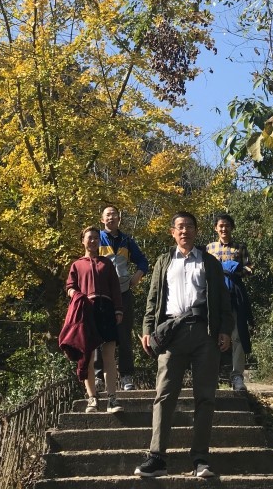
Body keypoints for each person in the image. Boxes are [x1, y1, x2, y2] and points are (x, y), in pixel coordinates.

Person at [134, 212, 233, 479]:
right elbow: (153, 298)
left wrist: (225, 330)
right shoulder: (164, 261)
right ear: (172, 232)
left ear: (196, 231)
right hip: (172, 334)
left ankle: (200, 458)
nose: (185, 231)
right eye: (180, 227)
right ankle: (157, 457)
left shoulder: (209, 262)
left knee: (205, 397)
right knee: (164, 395)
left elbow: (223, 300)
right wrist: (147, 330)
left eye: (189, 226)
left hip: (205, 333)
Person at [65, 226, 124, 413]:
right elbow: (70, 286)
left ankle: (112, 399)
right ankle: (92, 399)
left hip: (107, 309)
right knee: (88, 356)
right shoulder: (76, 265)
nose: (93, 241)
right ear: (83, 240)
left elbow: (115, 288)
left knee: (109, 357)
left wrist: (118, 310)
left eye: (96, 238)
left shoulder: (107, 263)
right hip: (86, 310)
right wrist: (76, 294)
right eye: (89, 237)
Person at [95, 205, 149, 391]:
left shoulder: (127, 240)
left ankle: (126, 376)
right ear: (102, 219)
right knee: (99, 334)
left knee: (124, 335)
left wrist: (137, 276)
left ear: (119, 218)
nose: (111, 218)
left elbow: (142, 261)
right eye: (107, 215)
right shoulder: (97, 238)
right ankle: (98, 376)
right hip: (101, 294)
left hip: (123, 292)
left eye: (114, 215)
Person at [207, 213, 253, 393]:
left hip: (235, 296)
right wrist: (222, 268)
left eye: (227, 225)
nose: (224, 229)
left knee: (237, 335)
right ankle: (211, 377)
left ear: (232, 228)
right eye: (221, 226)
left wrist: (235, 268)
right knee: (211, 335)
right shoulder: (209, 248)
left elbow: (250, 268)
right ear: (215, 228)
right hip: (213, 297)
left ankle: (237, 376)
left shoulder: (240, 247)